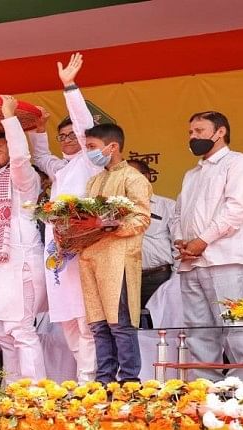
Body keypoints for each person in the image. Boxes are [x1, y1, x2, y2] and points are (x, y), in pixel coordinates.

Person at [171, 110, 243, 381]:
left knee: (237, 330)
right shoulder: (191, 174)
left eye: (199, 131)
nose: (193, 137)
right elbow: (178, 214)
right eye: (190, 132)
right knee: (199, 332)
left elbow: (237, 210)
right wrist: (180, 240)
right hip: (191, 262)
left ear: (220, 132)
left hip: (226, 260)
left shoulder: (239, 163)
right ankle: (205, 391)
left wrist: (202, 241)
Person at [28, 52, 101, 383]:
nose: (69, 141)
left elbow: (85, 127)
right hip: (56, 254)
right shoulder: (61, 169)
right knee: (66, 318)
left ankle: (92, 383)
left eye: (73, 136)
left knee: (85, 319)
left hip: (80, 248)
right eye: (64, 137)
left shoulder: (90, 162)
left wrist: (70, 86)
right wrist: (39, 130)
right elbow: (41, 156)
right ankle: (84, 378)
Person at [0, 95, 47, 385]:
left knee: (22, 332)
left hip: (20, 268)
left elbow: (20, 159)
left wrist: (9, 118)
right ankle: (13, 394)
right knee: (2, 335)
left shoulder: (23, 181)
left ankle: (35, 398)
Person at [78, 123, 151, 385]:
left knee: (120, 323)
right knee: (98, 325)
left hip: (118, 257)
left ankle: (129, 383)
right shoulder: (94, 180)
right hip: (90, 256)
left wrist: (116, 225)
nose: (88, 153)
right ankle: (104, 382)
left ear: (113, 147)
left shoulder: (133, 178)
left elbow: (142, 218)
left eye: (92, 147)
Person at [127, 159, 177, 318]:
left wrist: (174, 281)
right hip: (126, 280)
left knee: (161, 328)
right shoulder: (114, 209)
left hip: (159, 278)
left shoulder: (168, 206)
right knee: (127, 330)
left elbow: (178, 245)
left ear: (147, 176)